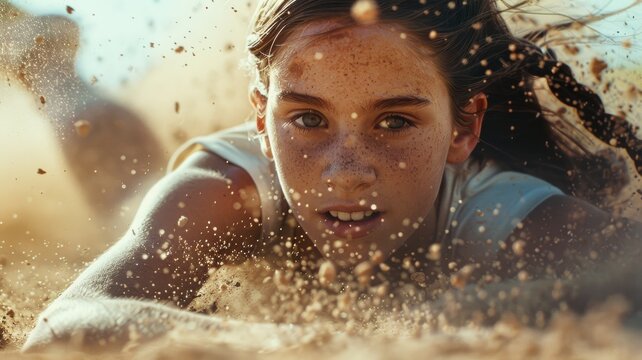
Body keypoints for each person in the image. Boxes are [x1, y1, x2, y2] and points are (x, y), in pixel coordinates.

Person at [22, 0, 642, 352]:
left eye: (395, 122)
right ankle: (50, 67)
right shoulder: (233, 188)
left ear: (462, 129)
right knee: (124, 198)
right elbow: (63, 326)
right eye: (308, 118)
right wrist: (293, 346)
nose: (346, 173)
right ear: (261, 121)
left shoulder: (504, 212)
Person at [0, 2, 166, 215]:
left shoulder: (11, 45)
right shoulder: (54, 27)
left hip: (74, 127)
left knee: (119, 215)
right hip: (111, 109)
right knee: (165, 184)